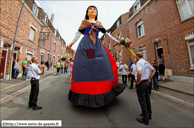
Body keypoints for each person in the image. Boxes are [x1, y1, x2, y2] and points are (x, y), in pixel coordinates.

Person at [67, 5, 126, 107]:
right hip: (86, 45)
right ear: (87, 12)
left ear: (97, 13)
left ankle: (104, 84)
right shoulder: (84, 23)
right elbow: (77, 34)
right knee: (88, 64)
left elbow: (106, 34)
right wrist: (71, 43)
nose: (93, 10)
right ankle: (87, 85)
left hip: (96, 45)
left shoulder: (99, 24)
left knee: (105, 62)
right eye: (90, 9)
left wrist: (116, 40)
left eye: (95, 9)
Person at [136, 52, 156, 125]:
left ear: (137, 57)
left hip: (142, 83)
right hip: (147, 83)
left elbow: (139, 73)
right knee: (147, 99)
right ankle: (149, 114)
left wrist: (138, 81)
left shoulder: (139, 63)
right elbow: (154, 70)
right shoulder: (146, 62)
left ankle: (145, 118)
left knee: (142, 101)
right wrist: (149, 78)